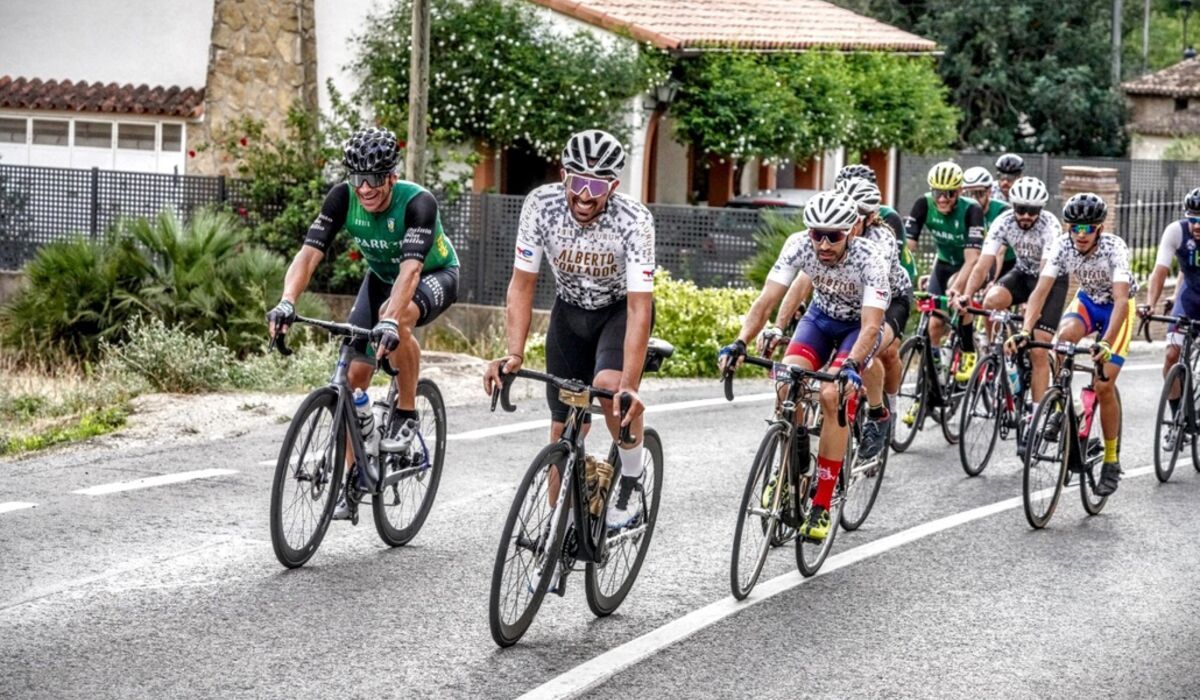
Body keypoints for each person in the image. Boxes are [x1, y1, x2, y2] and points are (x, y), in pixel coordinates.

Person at [267, 126, 460, 518]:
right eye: (358, 179)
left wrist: (388, 322)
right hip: (382, 280)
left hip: (433, 275)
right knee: (353, 377)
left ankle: (406, 411)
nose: (365, 188)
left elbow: (410, 272)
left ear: (391, 175)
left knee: (398, 315)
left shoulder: (417, 203)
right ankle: (356, 477)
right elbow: (307, 256)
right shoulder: (342, 197)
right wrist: (287, 301)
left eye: (374, 179)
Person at [482, 129, 655, 535]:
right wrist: (515, 353)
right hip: (569, 314)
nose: (584, 195)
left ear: (612, 186)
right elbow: (522, 284)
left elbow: (639, 305)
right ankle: (559, 524)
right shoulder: (541, 205)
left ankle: (631, 480)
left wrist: (630, 383)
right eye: (577, 182)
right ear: (564, 176)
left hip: (617, 313)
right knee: (562, 425)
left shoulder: (634, 220)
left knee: (610, 389)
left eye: (596, 186)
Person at [720, 190, 890, 542]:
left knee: (831, 395)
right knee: (786, 382)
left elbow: (872, 324)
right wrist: (740, 342)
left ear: (851, 232)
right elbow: (767, 298)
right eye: (817, 234)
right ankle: (787, 470)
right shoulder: (799, 245)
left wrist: (852, 365)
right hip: (820, 319)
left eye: (834, 236)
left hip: (857, 328)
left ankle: (822, 504)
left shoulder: (870, 257)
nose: (824, 244)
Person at [1007, 192, 1133, 497]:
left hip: (1116, 310)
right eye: (1074, 227)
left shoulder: (1115, 248)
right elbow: (1041, 289)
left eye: (1087, 228)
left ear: (1099, 228)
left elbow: (1119, 300)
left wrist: (1104, 342)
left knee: (1103, 386)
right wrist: (1025, 330)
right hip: (1088, 303)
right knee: (1061, 342)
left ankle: (1112, 460)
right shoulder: (1064, 245)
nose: (1080, 234)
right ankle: (1063, 406)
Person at [956, 178, 1065, 450]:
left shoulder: (1050, 226)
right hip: (1022, 274)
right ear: (1013, 206)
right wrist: (968, 295)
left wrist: (1032, 311)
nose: (1026, 216)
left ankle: (1036, 418)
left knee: (1038, 350)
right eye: (1021, 209)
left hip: (1050, 281)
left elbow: (1044, 277)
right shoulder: (1003, 221)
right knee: (991, 300)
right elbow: (982, 265)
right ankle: (996, 350)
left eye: (1032, 210)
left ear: (1040, 209)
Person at [903, 162, 986, 420]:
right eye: (937, 192)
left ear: (959, 191)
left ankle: (969, 351)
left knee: (959, 297)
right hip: (943, 263)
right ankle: (930, 387)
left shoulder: (971, 210)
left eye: (948, 193)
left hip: (969, 265)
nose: (941, 198)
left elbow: (973, 259)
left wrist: (957, 288)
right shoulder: (923, 204)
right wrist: (903, 276)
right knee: (932, 328)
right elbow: (908, 248)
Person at [1139, 187, 1200, 449]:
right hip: (1190, 298)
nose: (1196, 225)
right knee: (1172, 355)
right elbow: (1160, 270)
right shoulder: (1177, 231)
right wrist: (1150, 304)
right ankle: (1178, 421)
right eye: (1193, 218)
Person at [962, 166, 1014, 282]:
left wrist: (992, 282)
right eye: (968, 194)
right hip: (978, 263)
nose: (974, 199)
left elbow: (999, 252)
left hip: (1006, 264)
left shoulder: (1003, 211)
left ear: (989, 192)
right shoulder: (963, 210)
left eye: (979, 193)